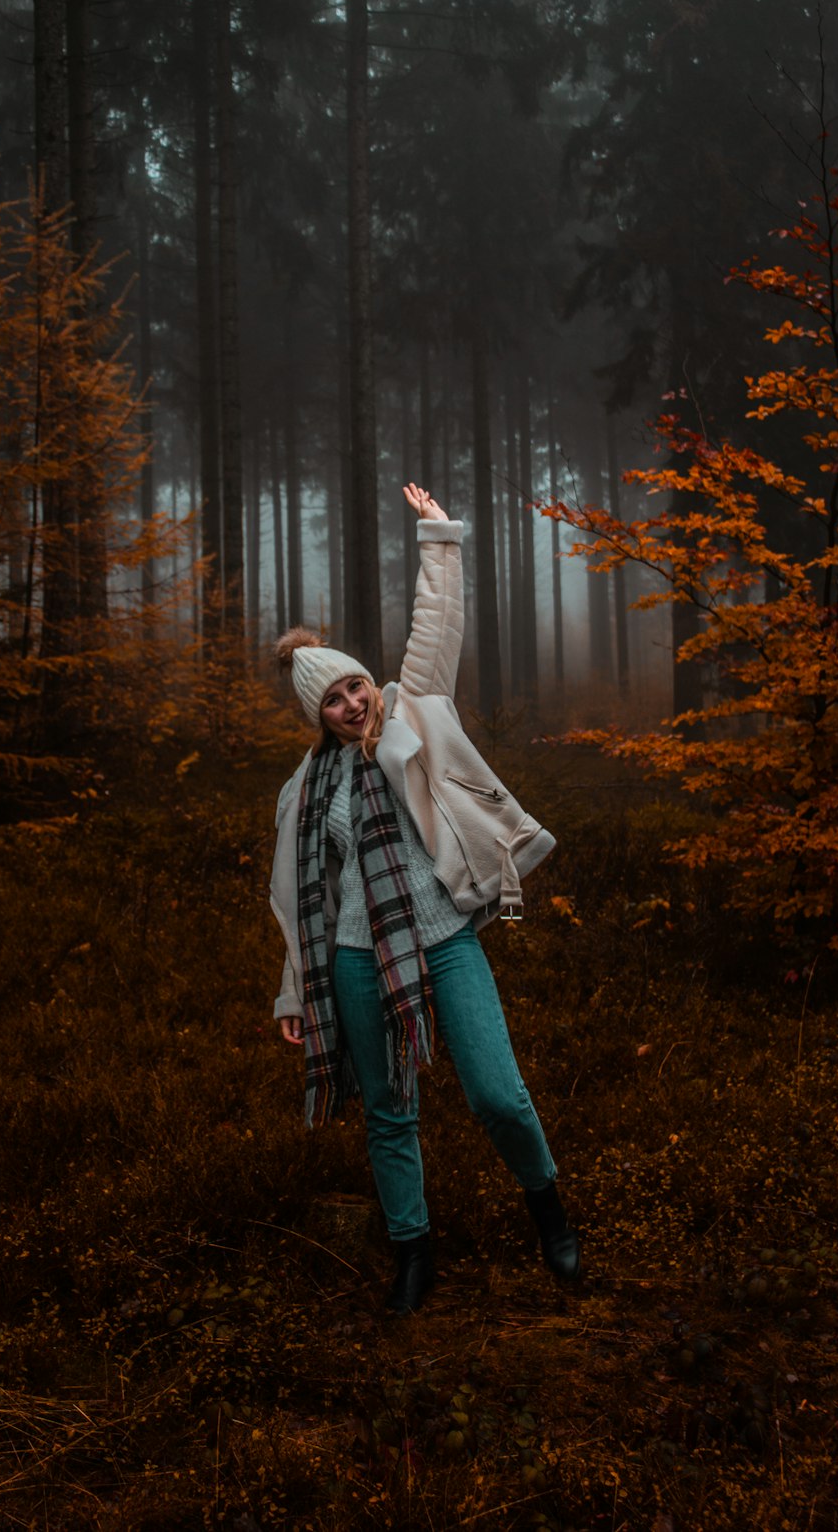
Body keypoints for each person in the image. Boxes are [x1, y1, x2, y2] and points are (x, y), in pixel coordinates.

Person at [269, 482, 580, 1315]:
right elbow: (300, 899)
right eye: (333, 700)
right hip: (357, 958)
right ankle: (412, 1250)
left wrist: (437, 537)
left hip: (445, 937)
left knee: (497, 1093)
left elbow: (436, 628)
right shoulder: (306, 790)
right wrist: (297, 989)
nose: (351, 704)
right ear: (317, 715)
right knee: (388, 1111)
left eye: (355, 687)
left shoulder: (414, 714)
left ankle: (546, 1205)